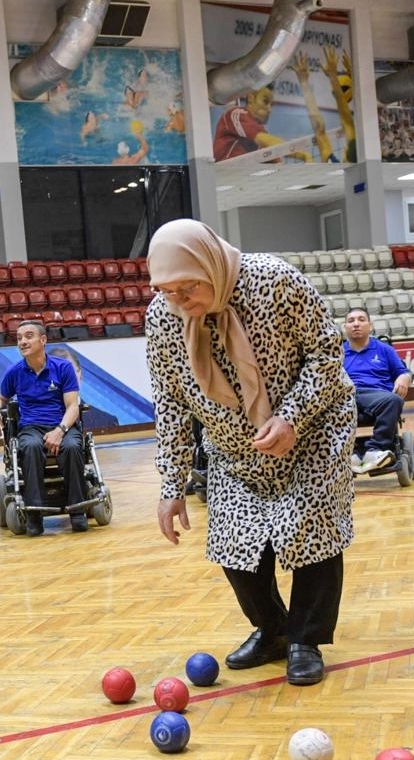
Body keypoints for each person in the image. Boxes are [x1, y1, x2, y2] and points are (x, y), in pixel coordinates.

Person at [144, 219, 355, 686]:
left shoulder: (273, 280)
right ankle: (274, 630)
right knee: (233, 541)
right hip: (234, 449)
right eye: (167, 291)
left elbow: (326, 352)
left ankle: (306, 639)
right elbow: (170, 402)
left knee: (310, 527)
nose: (179, 301)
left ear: (211, 265)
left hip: (312, 429)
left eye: (188, 288)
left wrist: (292, 417)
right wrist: (171, 485)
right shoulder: (162, 318)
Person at [0, 320, 87, 536]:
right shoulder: (15, 371)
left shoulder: (63, 368)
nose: (22, 342)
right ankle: (34, 513)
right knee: (30, 447)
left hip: (62, 424)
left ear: (43, 340)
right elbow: (2, 397)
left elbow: (73, 406)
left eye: (28, 336)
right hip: (31, 427)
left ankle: (78, 510)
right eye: (19, 338)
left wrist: (59, 431)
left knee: (72, 447)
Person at [342, 307, 411, 473]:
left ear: (370, 326)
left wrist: (404, 377)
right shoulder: (337, 353)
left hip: (378, 396)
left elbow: (403, 372)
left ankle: (375, 450)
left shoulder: (384, 349)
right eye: (351, 321)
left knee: (394, 400)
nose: (356, 324)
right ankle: (348, 452)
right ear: (345, 328)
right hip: (347, 395)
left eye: (361, 320)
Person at [213, 85, 307, 161]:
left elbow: (276, 161)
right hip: (221, 174)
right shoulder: (236, 114)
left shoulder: (262, 133)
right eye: (265, 101)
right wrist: (302, 155)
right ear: (251, 98)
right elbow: (268, 141)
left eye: (271, 105)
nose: (269, 109)